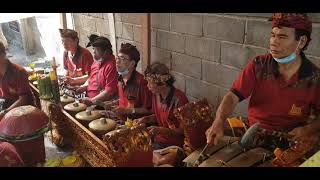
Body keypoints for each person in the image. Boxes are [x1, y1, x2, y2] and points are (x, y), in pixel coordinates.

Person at [206, 13, 320, 146]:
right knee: (213, 138)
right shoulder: (259, 65)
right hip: (253, 130)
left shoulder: (314, 78)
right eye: (273, 35)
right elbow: (232, 96)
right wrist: (218, 121)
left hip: (290, 139)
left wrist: (307, 129)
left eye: (282, 37)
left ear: (301, 41)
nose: (273, 42)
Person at [135, 62, 189, 150]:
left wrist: (161, 130)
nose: (148, 86)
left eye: (150, 83)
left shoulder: (179, 100)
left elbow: (183, 131)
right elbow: (160, 116)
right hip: (160, 140)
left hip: (175, 144)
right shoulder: (156, 94)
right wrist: (147, 119)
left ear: (163, 84)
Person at [103, 43, 152, 120]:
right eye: (117, 57)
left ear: (132, 63)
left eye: (122, 59)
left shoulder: (142, 82)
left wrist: (128, 111)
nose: (117, 61)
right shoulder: (120, 78)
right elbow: (125, 100)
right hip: (121, 118)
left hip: (134, 123)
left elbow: (149, 110)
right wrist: (113, 103)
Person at [72, 36, 118, 105]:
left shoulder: (112, 66)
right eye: (93, 49)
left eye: (96, 50)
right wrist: (84, 87)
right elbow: (91, 78)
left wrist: (91, 100)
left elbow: (108, 92)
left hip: (100, 104)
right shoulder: (97, 61)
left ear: (106, 52)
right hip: (88, 97)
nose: (93, 52)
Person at [0, 42, 34, 120]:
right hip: (5, 105)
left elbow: (24, 99)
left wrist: (5, 112)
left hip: (22, 111)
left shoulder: (19, 72)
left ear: (3, 55)